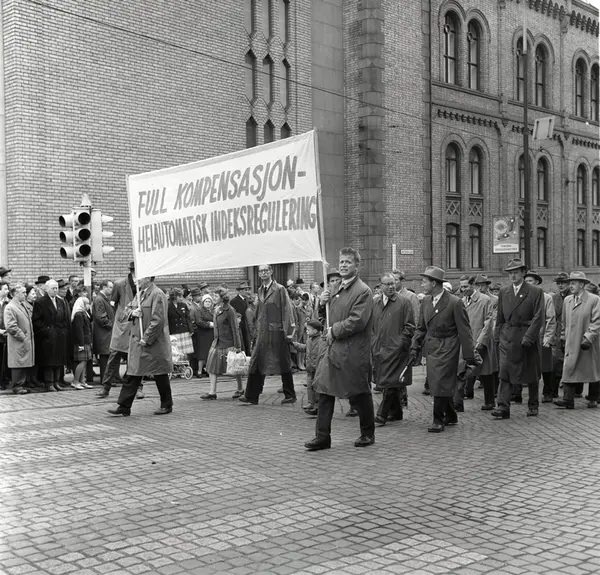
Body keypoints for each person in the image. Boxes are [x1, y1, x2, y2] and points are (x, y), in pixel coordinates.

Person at [305, 247, 375, 450]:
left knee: (359, 391)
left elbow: (357, 321)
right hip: (333, 349)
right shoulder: (334, 288)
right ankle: (322, 436)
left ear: (357, 265)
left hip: (353, 351)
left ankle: (367, 433)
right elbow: (324, 317)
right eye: (342, 261)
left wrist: (334, 330)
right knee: (324, 391)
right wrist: (322, 304)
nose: (343, 265)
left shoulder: (363, 291)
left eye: (348, 262)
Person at [411, 266, 475, 433]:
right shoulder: (426, 301)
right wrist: (414, 346)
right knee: (439, 382)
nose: (422, 285)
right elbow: (421, 327)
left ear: (434, 283)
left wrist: (469, 355)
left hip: (448, 347)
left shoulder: (454, 302)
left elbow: (465, 330)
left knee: (440, 381)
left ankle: (438, 419)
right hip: (432, 347)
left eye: (424, 281)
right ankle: (451, 415)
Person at [108, 276, 173, 416]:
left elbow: (158, 320)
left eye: (139, 278)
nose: (136, 280)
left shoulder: (157, 294)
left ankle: (167, 404)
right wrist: (132, 313)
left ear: (148, 278)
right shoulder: (140, 293)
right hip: (139, 341)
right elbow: (126, 311)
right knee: (133, 373)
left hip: (153, 343)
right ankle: (124, 406)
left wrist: (147, 338)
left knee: (160, 373)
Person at [492, 258, 544, 419]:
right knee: (504, 372)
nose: (513, 275)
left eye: (516, 272)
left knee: (531, 371)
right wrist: (497, 336)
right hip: (507, 337)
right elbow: (500, 317)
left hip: (526, 337)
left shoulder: (535, 291)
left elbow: (539, 317)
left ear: (523, 273)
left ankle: (533, 404)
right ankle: (503, 407)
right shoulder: (504, 291)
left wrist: (529, 337)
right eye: (510, 273)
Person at [239, 264, 296, 405]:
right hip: (263, 332)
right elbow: (259, 312)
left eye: (266, 270)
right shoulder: (260, 290)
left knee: (283, 361)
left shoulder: (280, 289)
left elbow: (287, 310)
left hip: (278, 332)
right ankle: (252, 395)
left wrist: (288, 332)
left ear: (271, 271)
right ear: (258, 274)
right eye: (261, 271)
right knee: (257, 360)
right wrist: (256, 330)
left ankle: (290, 394)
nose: (263, 273)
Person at [372, 272, 415, 426]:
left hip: (397, 350)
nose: (391, 287)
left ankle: (381, 414)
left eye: (392, 283)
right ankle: (396, 412)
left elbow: (410, 326)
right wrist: (373, 342)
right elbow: (371, 326)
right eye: (387, 284)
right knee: (389, 381)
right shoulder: (375, 303)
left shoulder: (404, 302)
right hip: (379, 349)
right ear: (380, 286)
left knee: (390, 381)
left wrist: (400, 343)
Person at [554, 272, 600, 410]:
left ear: (582, 284)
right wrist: (563, 336)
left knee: (592, 369)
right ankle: (568, 399)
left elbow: (597, 321)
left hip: (588, 342)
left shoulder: (594, 300)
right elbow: (564, 321)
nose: (571, 285)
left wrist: (588, 337)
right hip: (571, 341)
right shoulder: (568, 300)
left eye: (573, 283)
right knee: (568, 367)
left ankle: (593, 397)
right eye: (570, 283)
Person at [97, 262, 139, 399]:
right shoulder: (120, 284)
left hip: (137, 325)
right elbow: (113, 304)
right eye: (134, 271)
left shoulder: (144, 284)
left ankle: (138, 387)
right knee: (114, 355)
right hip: (122, 326)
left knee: (136, 357)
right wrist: (121, 317)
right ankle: (106, 387)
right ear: (131, 271)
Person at [454, 275, 494, 412]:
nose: (463, 289)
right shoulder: (461, 301)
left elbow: (489, 322)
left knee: (485, 373)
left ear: (473, 285)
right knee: (461, 371)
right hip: (465, 342)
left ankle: (490, 401)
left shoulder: (485, 300)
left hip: (480, 340)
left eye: (466, 286)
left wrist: (481, 341)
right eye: (462, 287)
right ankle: (458, 403)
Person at [202, 286, 243, 400]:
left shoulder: (230, 310)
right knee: (211, 367)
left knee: (234, 367)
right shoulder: (216, 309)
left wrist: (237, 346)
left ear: (222, 297)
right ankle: (212, 392)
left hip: (228, 343)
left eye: (216, 296)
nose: (214, 297)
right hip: (217, 343)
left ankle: (240, 389)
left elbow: (235, 329)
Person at [524, 271, 557, 404]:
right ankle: (529, 394)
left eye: (530, 281)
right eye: (526, 281)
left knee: (546, 367)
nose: (528, 284)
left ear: (537, 282)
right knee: (530, 366)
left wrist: (548, 338)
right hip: (528, 336)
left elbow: (551, 318)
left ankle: (548, 392)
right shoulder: (524, 296)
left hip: (542, 336)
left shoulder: (546, 298)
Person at [32, 280, 71, 392]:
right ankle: (49, 383)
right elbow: (37, 320)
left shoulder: (60, 301)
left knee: (59, 360)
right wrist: (47, 331)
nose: (55, 290)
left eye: (56, 288)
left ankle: (56, 382)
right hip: (48, 336)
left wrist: (63, 330)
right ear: (47, 289)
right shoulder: (40, 302)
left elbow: (65, 317)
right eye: (53, 288)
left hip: (60, 335)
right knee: (49, 361)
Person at [474, 274, 499, 408]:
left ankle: (491, 396)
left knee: (489, 368)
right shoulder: (475, 300)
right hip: (477, 335)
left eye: (482, 285)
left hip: (490, 336)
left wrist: (491, 334)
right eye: (478, 285)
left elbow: (494, 319)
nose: (480, 288)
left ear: (487, 286)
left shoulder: (494, 300)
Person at [4, 284, 34, 395]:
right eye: (23, 292)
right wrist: (23, 337)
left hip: (25, 340)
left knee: (23, 362)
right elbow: (11, 326)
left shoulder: (22, 305)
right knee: (18, 363)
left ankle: (23, 384)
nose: (25, 294)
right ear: (15, 294)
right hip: (18, 341)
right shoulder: (10, 307)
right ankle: (17, 385)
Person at [293, 320, 325, 416]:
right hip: (310, 369)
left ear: (315, 331)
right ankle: (311, 403)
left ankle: (317, 406)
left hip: (317, 369)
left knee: (317, 389)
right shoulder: (309, 340)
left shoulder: (321, 341)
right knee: (310, 387)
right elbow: (304, 348)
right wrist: (294, 344)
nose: (306, 331)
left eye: (308, 329)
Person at [551, 272, 572, 401]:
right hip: (558, 333)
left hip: (572, 331)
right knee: (557, 363)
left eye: (563, 283)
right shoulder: (555, 298)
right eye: (558, 283)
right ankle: (553, 391)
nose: (560, 285)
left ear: (568, 283)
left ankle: (574, 392)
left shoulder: (573, 296)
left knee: (571, 362)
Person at [92, 280, 115, 385]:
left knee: (107, 357)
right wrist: (111, 325)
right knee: (105, 358)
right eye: (110, 287)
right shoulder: (99, 299)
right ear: (104, 287)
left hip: (106, 333)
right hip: (104, 333)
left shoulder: (104, 298)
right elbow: (101, 317)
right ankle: (105, 380)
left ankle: (108, 379)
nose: (112, 289)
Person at [71, 295, 94, 390]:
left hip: (86, 341)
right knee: (82, 361)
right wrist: (81, 344)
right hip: (82, 342)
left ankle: (82, 381)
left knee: (85, 361)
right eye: (87, 303)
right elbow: (79, 330)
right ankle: (75, 381)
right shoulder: (79, 315)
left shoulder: (84, 313)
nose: (88, 305)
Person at [190, 292, 214, 379]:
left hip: (210, 334)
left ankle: (207, 370)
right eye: (206, 301)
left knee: (209, 353)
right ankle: (199, 371)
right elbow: (199, 321)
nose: (208, 303)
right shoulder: (199, 311)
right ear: (203, 302)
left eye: (209, 301)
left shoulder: (212, 311)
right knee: (202, 353)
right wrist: (209, 324)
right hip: (202, 334)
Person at [167, 287, 195, 359]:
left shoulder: (183, 305)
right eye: (179, 296)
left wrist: (191, 330)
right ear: (174, 296)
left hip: (185, 331)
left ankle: (186, 365)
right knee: (175, 353)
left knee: (186, 354)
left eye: (182, 296)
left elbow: (188, 318)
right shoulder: (168, 306)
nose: (181, 298)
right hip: (174, 333)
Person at [231, 281, 252, 354]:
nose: (247, 291)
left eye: (248, 289)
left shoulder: (246, 300)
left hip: (247, 327)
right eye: (245, 290)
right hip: (240, 328)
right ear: (240, 291)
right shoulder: (234, 301)